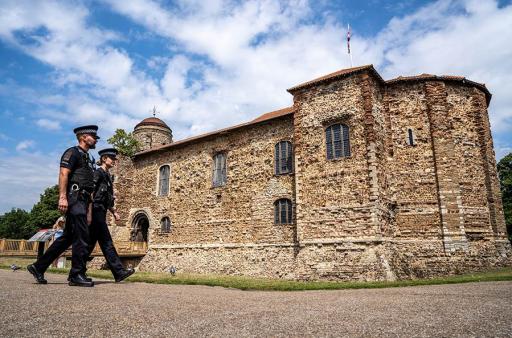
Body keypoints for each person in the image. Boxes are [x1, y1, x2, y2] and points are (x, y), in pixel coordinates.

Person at [27, 125, 99, 287]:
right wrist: (62, 197)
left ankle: (38, 267)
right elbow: (63, 174)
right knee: (82, 237)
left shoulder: (88, 158)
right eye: (93, 137)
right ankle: (76, 274)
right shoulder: (71, 153)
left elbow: (89, 186)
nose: (96, 140)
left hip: (84, 199)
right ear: (83, 137)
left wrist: (89, 210)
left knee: (67, 238)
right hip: (75, 197)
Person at [88, 148, 135, 282]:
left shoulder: (108, 176)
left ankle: (77, 271)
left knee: (90, 244)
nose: (114, 161)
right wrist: (89, 212)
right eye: (112, 158)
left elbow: (106, 197)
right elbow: (91, 192)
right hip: (96, 210)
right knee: (107, 242)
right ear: (104, 159)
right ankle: (119, 271)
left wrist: (113, 211)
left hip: (101, 211)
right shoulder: (98, 173)